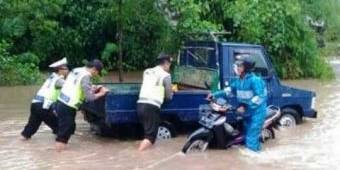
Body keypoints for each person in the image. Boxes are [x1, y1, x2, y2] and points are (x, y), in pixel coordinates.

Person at [209, 54, 267, 152]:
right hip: (245, 113)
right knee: (244, 138)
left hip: (257, 114)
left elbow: (260, 97)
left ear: (246, 68)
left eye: (239, 65)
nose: (236, 67)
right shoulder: (239, 80)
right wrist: (214, 95)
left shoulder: (255, 80)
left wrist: (245, 105)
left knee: (251, 140)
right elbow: (229, 90)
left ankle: (255, 162)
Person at [54, 59, 109, 151]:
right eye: (97, 73)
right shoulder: (86, 76)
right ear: (94, 69)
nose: (95, 75)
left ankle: (60, 152)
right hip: (68, 106)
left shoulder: (76, 70)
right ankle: (59, 158)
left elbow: (75, 85)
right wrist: (102, 93)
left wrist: (91, 87)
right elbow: (90, 98)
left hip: (61, 102)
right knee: (63, 134)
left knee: (67, 129)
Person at [21, 58, 69, 140]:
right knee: (60, 128)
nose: (68, 71)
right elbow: (71, 88)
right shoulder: (59, 80)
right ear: (60, 70)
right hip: (43, 106)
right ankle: (60, 149)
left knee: (30, 129)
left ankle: (22, 141)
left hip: (35, 104)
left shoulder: (51, 77)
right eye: (66, 69)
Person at [137, 53, 174, 151]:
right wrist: (171, 91)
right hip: (151, 107)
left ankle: (145, 156)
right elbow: (169, 96)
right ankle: (138, 156)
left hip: (140, 104)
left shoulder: (147, 71)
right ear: (166, 63)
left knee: (147, 134)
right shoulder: (166, 75)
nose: (169, 66)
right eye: (169, 64)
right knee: (150, 137)